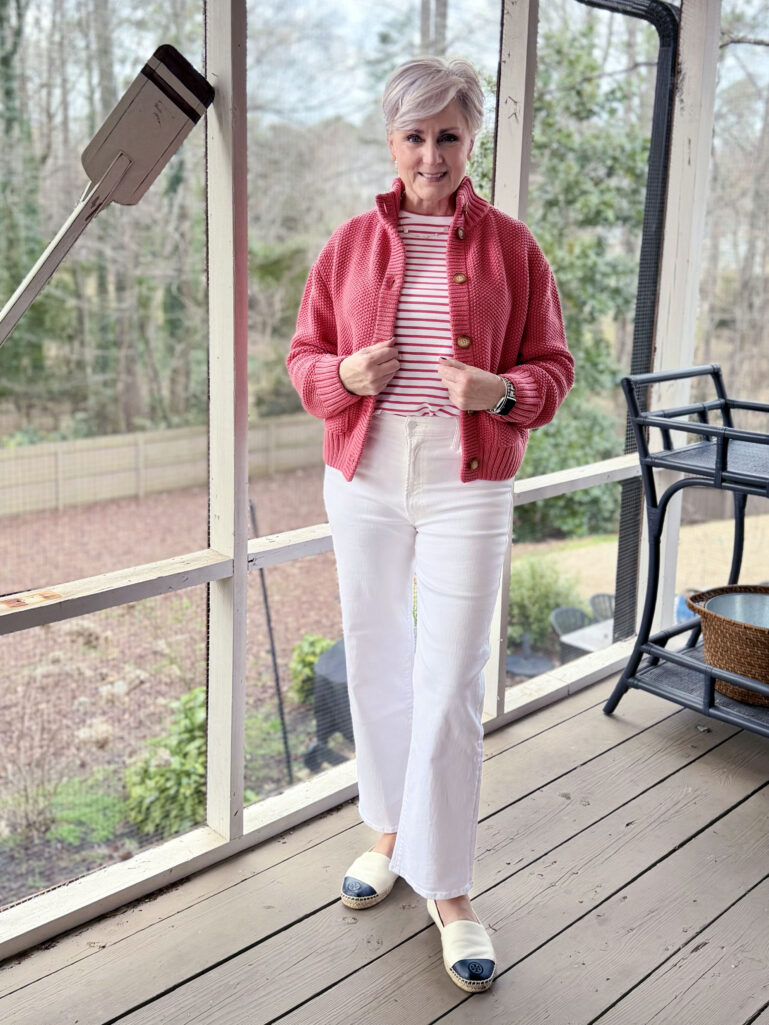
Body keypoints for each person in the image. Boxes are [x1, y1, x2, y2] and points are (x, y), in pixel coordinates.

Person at [287, 56, 574, 993]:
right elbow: (303, 358)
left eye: (448, 135)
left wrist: (502, 392)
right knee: (376, 657)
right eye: (414, 135)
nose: (430, 154)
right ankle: (389, 833)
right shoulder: (346, 245)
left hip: (467, 477)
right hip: (364, 474)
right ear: (391, 139)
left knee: (449, 681)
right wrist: (342, 377)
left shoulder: (514, 248)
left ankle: (447, 885)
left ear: (470, 138)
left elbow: (553, 370)